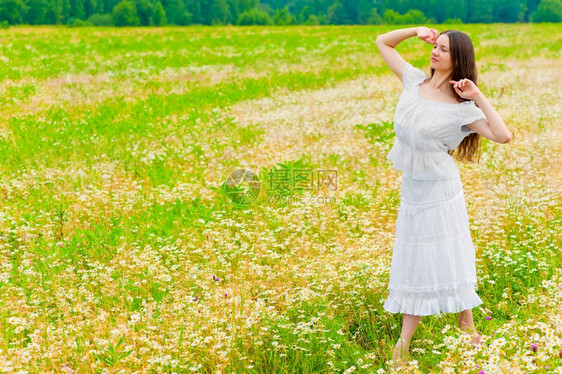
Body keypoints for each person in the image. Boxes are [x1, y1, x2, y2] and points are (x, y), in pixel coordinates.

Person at [375, 26, 512, 371]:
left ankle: (402, 346)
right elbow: (383, 42)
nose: (435, 52)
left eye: (444, 49)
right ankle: (470, 330)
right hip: (414, 190)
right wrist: (415, 31)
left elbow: (503, 135)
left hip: (440, 192)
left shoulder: (460, 107)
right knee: (419, 256)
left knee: (435, 255)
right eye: (435, 45)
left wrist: (477, 96)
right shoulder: (413, 81)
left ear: (458, 59)